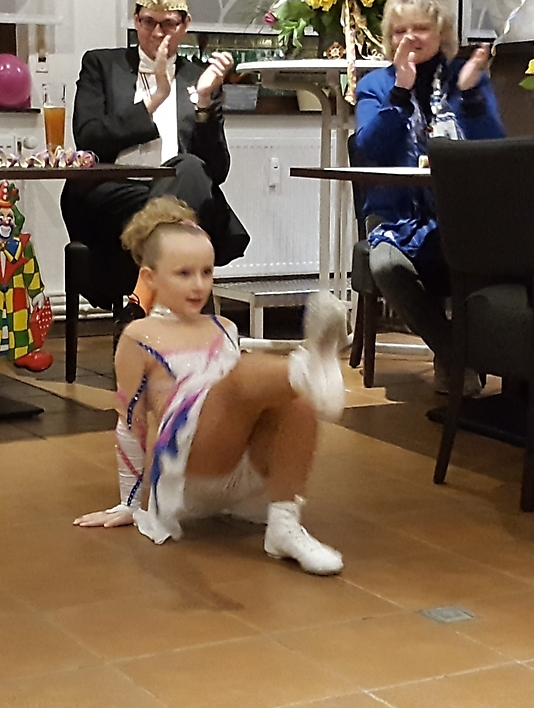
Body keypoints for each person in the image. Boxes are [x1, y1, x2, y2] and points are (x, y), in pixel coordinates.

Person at [73, 196, 347, 575]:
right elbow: (129, 422)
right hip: (186, 468)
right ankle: (307, 366)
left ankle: (284, 525)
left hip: (239, 467)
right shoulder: (139, 335)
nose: (198, 284)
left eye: (206, 272)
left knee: (293, 402)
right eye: (184, 273)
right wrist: (129, 504)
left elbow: (243, 404)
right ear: (150, 277)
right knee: (239, 377)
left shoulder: (224, 327)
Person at [62, 0, 248, 326]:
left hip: (174, 187)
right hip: (111, 192)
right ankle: (193, 328)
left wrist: (204, 102)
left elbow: (216, 170)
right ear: (135, 20)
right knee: (186, 205)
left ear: (185, 25)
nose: (157, 32)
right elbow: (89, 137)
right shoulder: (101, 65)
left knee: (189, 171)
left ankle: (141, 303)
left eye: (168, 24)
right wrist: (155, 98)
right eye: (148, 22)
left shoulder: (199, 78)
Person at [353, 0, 506, 393]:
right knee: (385, 266)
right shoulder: (375, 84)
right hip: (397, 214)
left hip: (463, 213)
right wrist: (400, 91)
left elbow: (495, 148)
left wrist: (471, 97)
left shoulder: (466, 78)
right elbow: (368, 148)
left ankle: (476, 359)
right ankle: (456, 354)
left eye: (420, 28)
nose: (410, 38)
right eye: (400, 31)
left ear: (442, 33)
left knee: (507, 252)